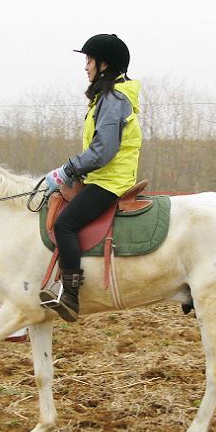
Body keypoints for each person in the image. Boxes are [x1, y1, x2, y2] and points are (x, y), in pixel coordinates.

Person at [39, 34, 142, 322]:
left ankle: (70, 295)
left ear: (104, 64)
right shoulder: (107, 98)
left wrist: (68, 169)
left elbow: (103, 150)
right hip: (102, 176)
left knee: (65, 224)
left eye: (89, 60)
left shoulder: (112, 99)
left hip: (110, 180)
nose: (85, 67)